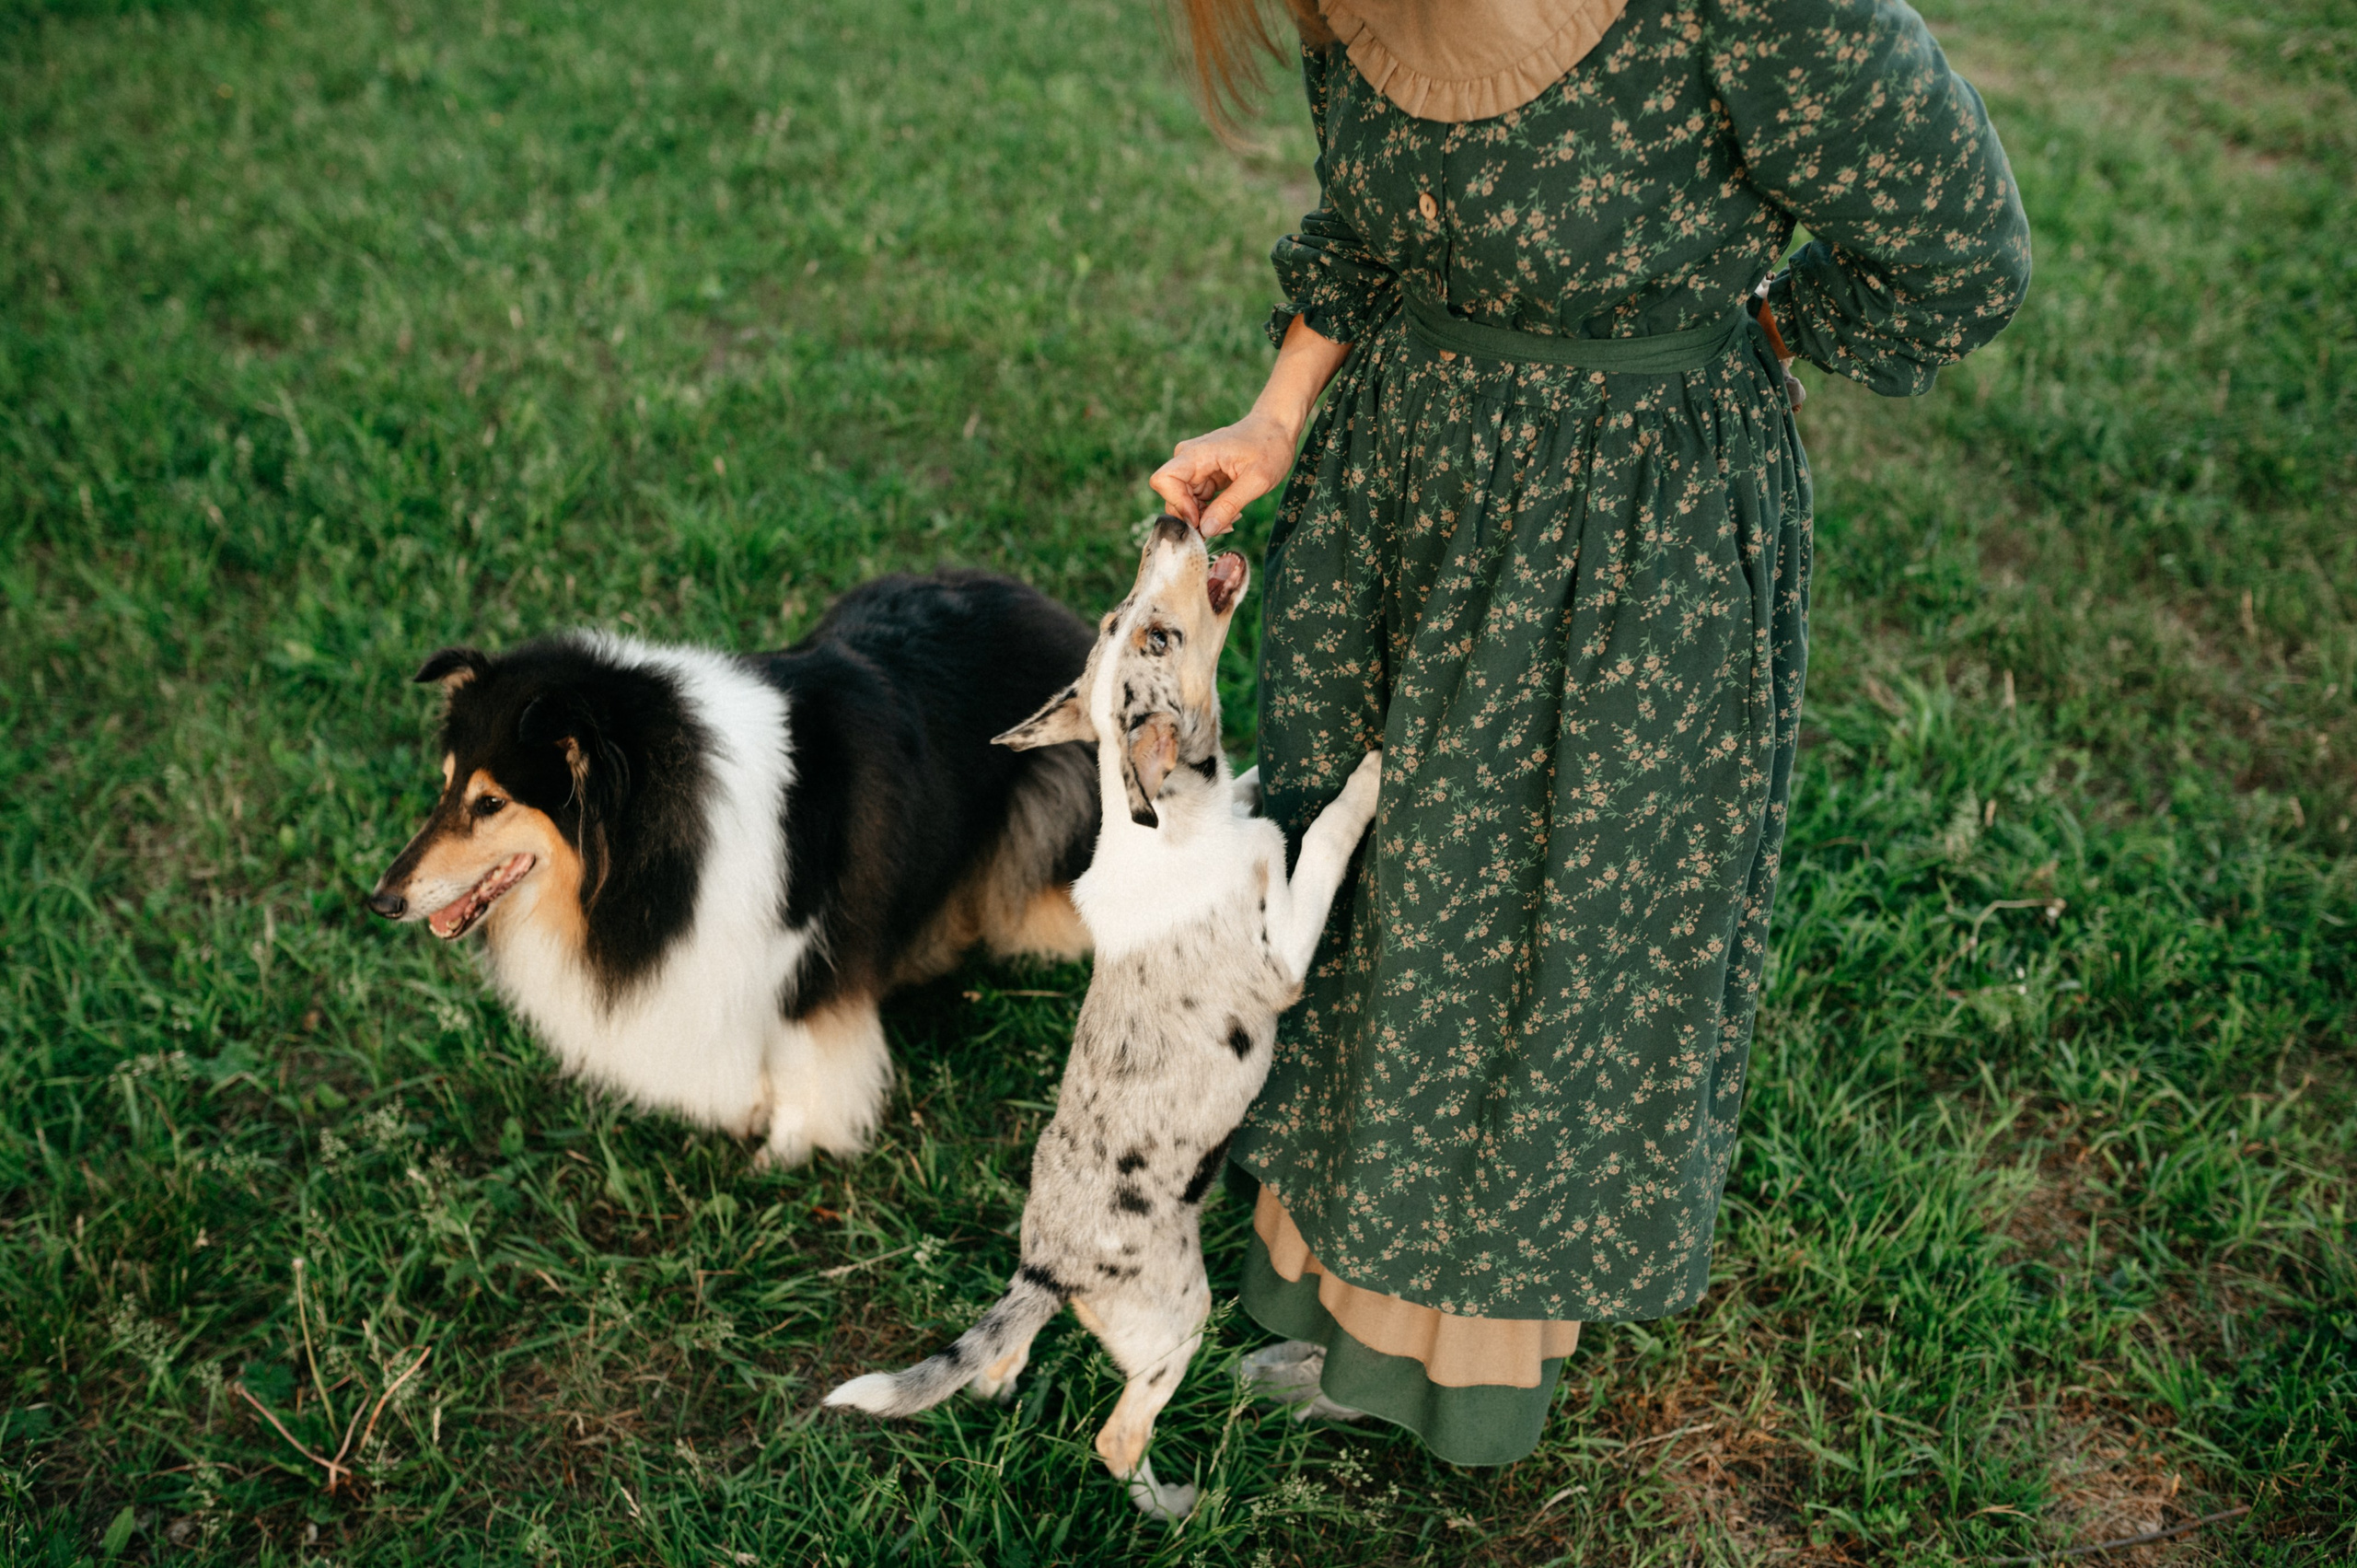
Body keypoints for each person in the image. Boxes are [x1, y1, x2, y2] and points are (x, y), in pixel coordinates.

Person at [1149, 0, 2029, 1467]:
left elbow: (1958, 250)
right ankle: (1317, 1277)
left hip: (1618, 553)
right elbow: (1367, 235)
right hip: (1399, 502)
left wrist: (1764, 327)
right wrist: (1278, 418)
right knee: (1358, 900)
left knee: (1512, 935)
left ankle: (1444, 1358)